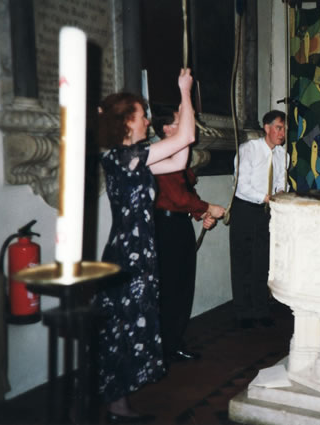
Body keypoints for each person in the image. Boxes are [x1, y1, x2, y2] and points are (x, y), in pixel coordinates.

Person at [96, 68, 195, 423]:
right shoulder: (124, 159)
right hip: (127, 256)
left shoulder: (135, 159)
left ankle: (118, 405)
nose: (147, 122)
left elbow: (181, 158)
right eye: (141, 116)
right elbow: (186, 137)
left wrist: (185, 107)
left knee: (128, 328)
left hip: (139, 252)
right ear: (126, 123)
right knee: (122, 329)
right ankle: (113, 405)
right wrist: (184, 90)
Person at [152, 110, 225, 364]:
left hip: (177, 224)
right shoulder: (162, 155)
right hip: (168, 228)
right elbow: (177, 197)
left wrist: (199, 213)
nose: (184, 127)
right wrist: (207, 208)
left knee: (181, 286)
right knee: (174, 288)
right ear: (167, 130)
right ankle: (166, 347)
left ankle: (172, 343)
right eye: (178, 123)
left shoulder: (172, 155)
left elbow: (184, 196)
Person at [229, 110, 289, 329]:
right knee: (243, 261)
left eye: (284, 129)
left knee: (262, 261)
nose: (282, 133)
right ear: (267, 127)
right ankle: (243, 313)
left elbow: (281, 181)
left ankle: (261, 310)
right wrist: (265, 197)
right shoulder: (249, 150)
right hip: (245, 209)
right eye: (278, 128)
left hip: (266, 211)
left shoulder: (282, 154)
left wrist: (281, 193)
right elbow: (241, 186)